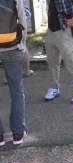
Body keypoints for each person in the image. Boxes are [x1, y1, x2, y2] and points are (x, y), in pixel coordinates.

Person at [44, 0, 73, 104]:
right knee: (52, 61)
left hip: (64, 30)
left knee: (70, 61)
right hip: (51, 30)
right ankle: (55, 88)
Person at [0, 0, 28, 146]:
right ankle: (17, 133)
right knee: (16, 90)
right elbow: (23, 21)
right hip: (12, 46)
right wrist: (22, 44)